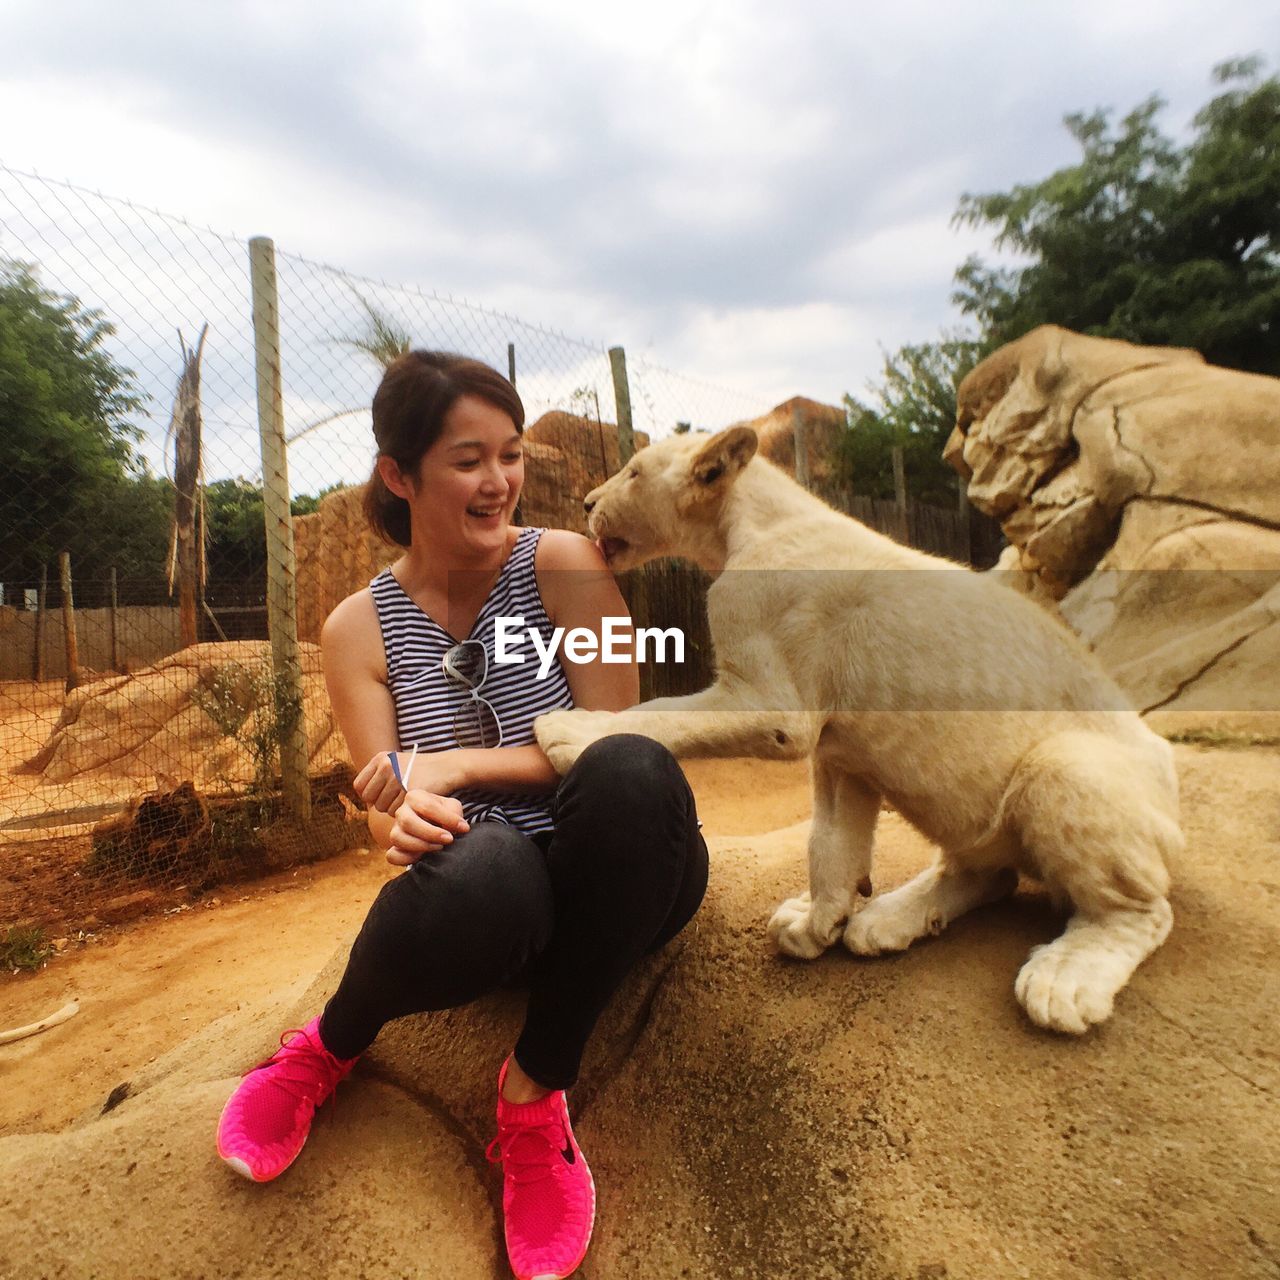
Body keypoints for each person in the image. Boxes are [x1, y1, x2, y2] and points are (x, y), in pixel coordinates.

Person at [215, 350, 708, 1280]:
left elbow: (613, 732)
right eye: (470, 460)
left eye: (511, 455)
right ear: (400, 476)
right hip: (495, 907)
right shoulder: (358, 629)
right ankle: (325, 1050)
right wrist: (396, 819)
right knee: (490, 870)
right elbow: (385, 800)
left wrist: (459, 761)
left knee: (634, 773)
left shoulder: (562, 563)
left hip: (626, 871)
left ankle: (533, 1094)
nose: (501, 483)